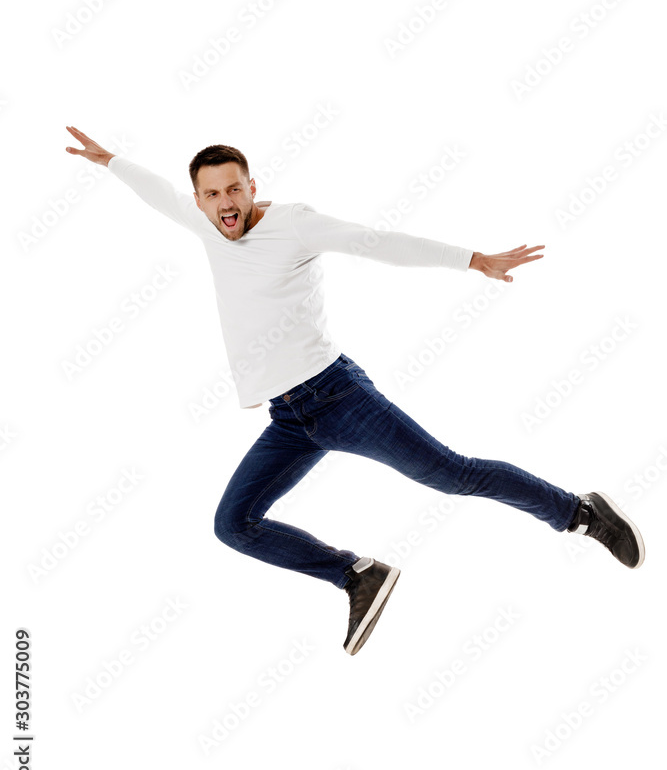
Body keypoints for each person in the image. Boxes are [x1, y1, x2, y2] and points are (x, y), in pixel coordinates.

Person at [65, 126, 645, 656]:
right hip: (289, 419)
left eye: (235, 190)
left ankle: (581, 513)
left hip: (337, 397)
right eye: (213, 195)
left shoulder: (294, 224)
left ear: (251, 187)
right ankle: (357, 575)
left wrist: (472, 260)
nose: (226, 204)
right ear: (200, 201)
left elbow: (378, 242)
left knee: (452, 473)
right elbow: (158, 192)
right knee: (233, 524)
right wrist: (110, 160)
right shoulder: (205, 225)